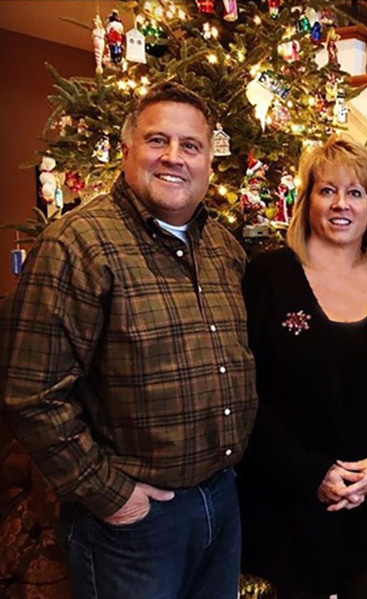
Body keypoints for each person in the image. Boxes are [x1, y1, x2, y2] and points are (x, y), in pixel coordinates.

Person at [1, 82, 257, 599]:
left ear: (209, 160)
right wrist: (114, 496)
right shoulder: (79, 243)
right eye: (156, 140)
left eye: (191, 145)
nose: (174, 157)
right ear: (127, 151)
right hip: (135, 522)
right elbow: (30, 393)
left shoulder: (223, 247)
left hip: (220, 501)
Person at [237, 135, 367, 599]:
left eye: (355, 193)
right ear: (307, 200)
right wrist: (312, 473)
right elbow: (246, 393)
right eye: (326, 190)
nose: (341, 205)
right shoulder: (268, 277)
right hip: (287, 512)